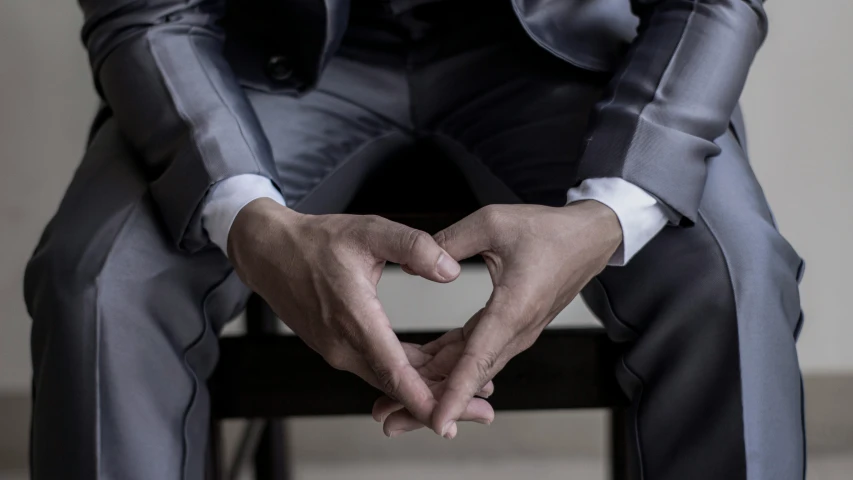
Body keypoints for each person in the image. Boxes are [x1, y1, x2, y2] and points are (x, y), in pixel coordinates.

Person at [23, 0, 806, 478]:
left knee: (726, 270)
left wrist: (610, 213)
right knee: (102, 285)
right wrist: (247, 218)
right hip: (258, 63)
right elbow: (147, 10)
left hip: (561, 62)